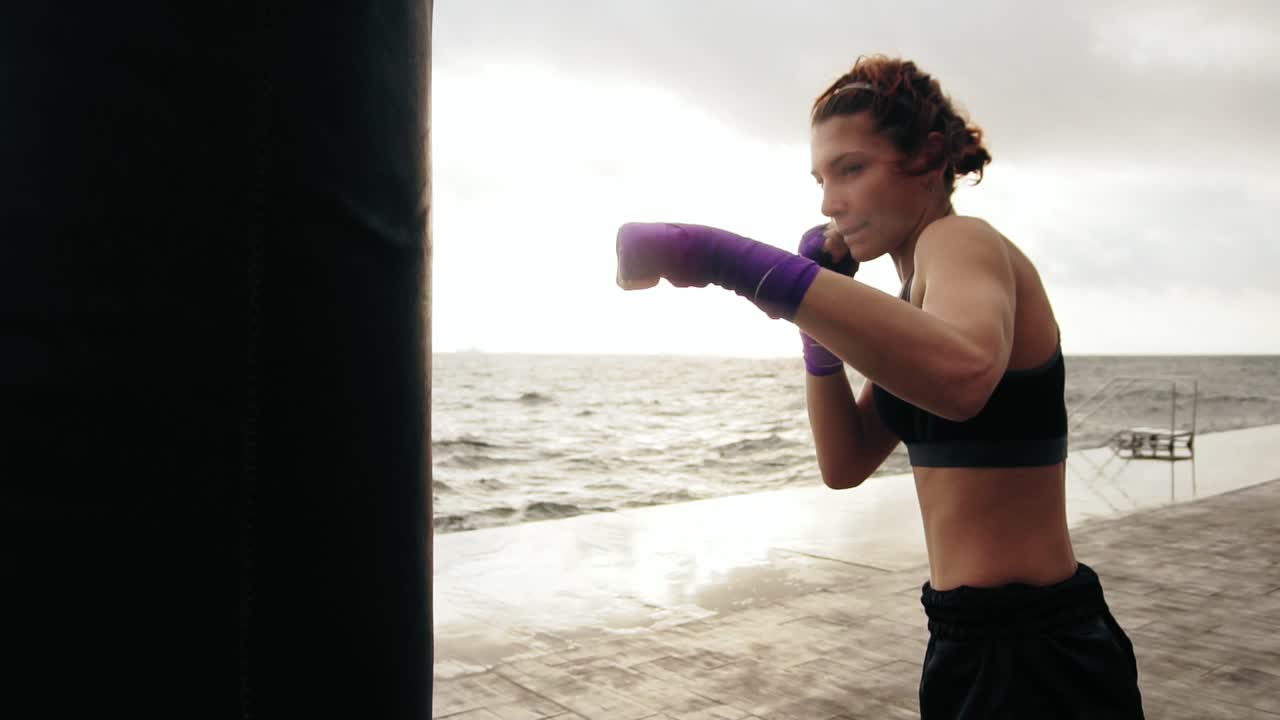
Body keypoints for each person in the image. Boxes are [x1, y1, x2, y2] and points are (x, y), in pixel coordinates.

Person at [615, 55, 1144, 719]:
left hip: (1035, 649)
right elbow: (845, 461)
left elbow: (964, 379)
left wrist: (724, 260)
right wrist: (816, 336)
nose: (829, 201)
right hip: (967, 637)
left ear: (927, 158)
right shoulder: (916, 308)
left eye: (852, 168)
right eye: (821, 177)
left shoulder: (961, 241)